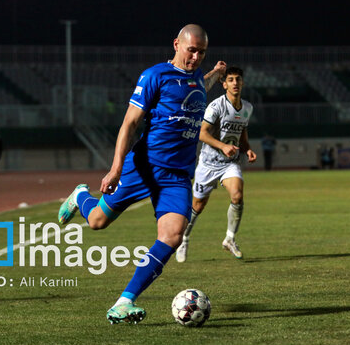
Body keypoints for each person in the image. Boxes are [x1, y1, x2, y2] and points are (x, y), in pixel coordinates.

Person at [57, 24, 227, 324]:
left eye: (202, 52)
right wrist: (115, 168)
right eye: (191, 50)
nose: (196, 56)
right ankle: (80, 196)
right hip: (143, 168)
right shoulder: (154, 76)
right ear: (177, 44)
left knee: (173, 236)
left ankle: (124, 302)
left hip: (177, 177)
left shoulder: (199, 77)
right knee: (97, 221)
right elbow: (129, 124)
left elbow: (203, 81)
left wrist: (216, 72)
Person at [176, 66, 257, 262]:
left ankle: (229, 239)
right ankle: (184, 238)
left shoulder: (247, 108)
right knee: (198, 205)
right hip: (208, 163)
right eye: (231, 80)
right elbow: (202, 133)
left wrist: (247, 149)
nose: (235, 83)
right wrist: (222, 146)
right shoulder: (216, 106)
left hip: (230, 163)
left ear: (243, 82)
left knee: (237, 195)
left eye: (238, 79)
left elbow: (242, 134)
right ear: (224, 85)